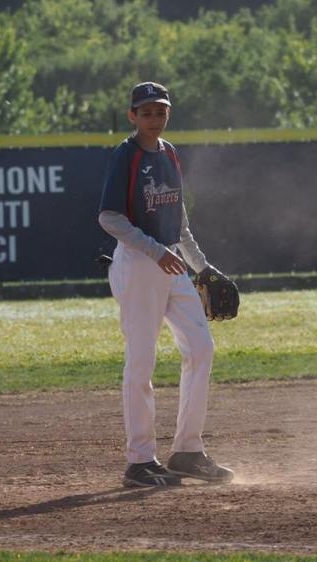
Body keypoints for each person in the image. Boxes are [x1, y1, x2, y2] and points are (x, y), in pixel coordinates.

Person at [98, 81, 234, 488]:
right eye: (146, 112)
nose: (154, 118)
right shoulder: (126, 155)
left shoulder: (170, 153)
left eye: (161, 111)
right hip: (139, 264)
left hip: (172, 262)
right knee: (142, 362)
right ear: (132, 116)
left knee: (201, 347)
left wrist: (202, 268)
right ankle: (140, 461)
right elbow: (109, 217)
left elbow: (180, 221)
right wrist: (155, 250)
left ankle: (187, 451)